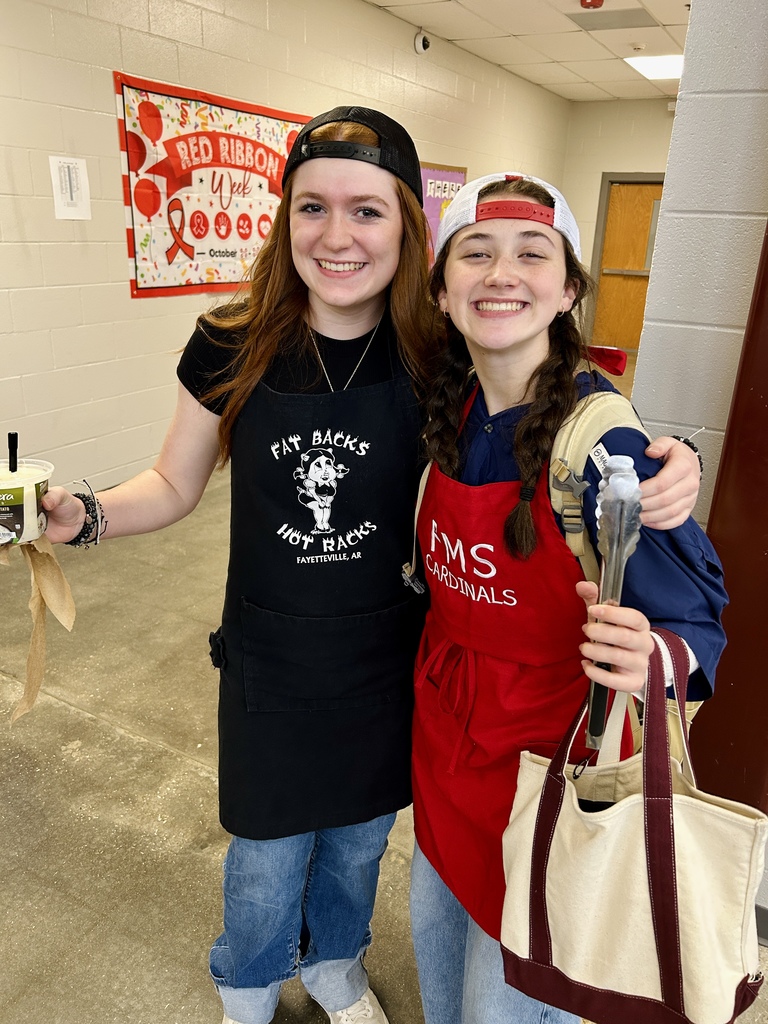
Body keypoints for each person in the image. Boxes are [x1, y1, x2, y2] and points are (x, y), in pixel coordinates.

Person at [41, 108, 702, 1024]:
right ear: (284, 220)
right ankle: (246, 976)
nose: (337, 236)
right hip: (271, 657)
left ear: (407, 232)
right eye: (313, 207)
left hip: (391, 657)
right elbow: (172, 483)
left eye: (367, 212)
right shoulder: (232, 340)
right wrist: (87, 518)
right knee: (265, 853)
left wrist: (664, 455)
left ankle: (336, 966)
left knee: (358, 843)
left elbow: (549, 392)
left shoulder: (435, 352)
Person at [407, 171, 728, 1024]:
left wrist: (656, 655)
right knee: (440, 981)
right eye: (474, 254)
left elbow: (697, 620)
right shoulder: (448, 408)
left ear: (567, 290)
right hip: (447, 755)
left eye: (531, 254)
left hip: (547, 780)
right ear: (442, 292)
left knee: (502, 1003)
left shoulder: (603, 444)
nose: (500, 273)